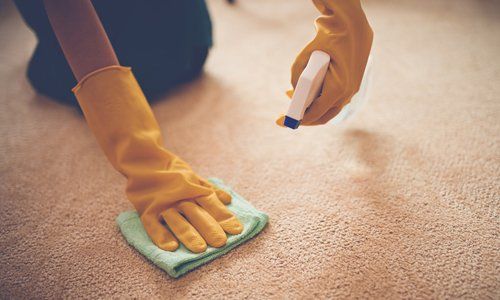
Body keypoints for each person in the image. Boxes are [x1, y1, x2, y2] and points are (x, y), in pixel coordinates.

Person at [15, 0, 373, 253]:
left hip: (188, 40)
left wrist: (341, 15)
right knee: (63, 71)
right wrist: (142, 157)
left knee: (180, 51)